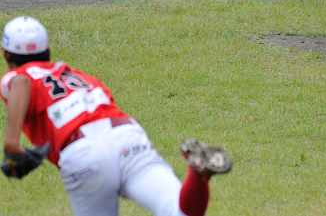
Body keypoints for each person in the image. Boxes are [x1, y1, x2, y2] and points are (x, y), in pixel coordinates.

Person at [1, 16, 232, 216]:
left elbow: (21, 81)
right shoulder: (80, 77)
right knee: (178, 211)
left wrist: (11, 143)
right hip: (126, 137)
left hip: (82, 153)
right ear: (48, 52)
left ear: (6, 55)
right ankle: (198, 171)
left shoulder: (16, 77)